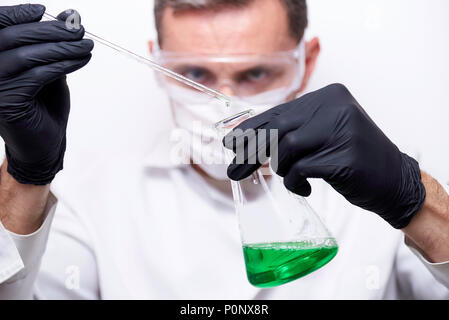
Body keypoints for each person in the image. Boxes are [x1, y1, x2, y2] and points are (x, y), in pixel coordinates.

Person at [0, 0, 448, 299]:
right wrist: (25, 176)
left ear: (306, 61)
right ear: (157, 61)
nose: (224, 102)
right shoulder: (92, 197)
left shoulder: (382, 181)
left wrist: (414, 200)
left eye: (257, 74)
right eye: (194, 73)